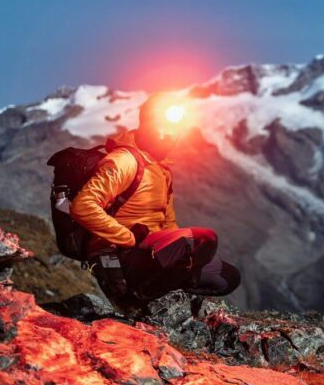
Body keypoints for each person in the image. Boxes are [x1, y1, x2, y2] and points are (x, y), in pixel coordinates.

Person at [69, 93, 241, 310]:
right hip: (119, 256)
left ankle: (163, 288)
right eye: (162, 126)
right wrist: (127, 238)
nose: (170, 134)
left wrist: (185, 258)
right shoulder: (125, 161)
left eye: (175, 129)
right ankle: (134, 300)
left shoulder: (162, 170)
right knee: (206, 239)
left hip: (151, 253)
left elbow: (168, 225)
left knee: (227, 277)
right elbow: (82, 206)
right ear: (146, 125)